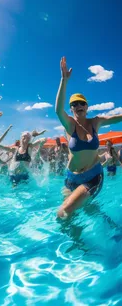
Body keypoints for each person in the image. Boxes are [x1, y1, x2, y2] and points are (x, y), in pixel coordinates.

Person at [55, 56, 122, 219]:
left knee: (64, 212)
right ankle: (78, 244)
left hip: (93, 176)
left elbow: (117, 117)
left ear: (87, 107)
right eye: (74, 104)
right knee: (72, 217)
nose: (78, 106)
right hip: (71, 177)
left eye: (81, 103)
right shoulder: (69, 125)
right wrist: (64, 80)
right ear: (71, 109)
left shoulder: (95, 122)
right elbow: (58, 110)